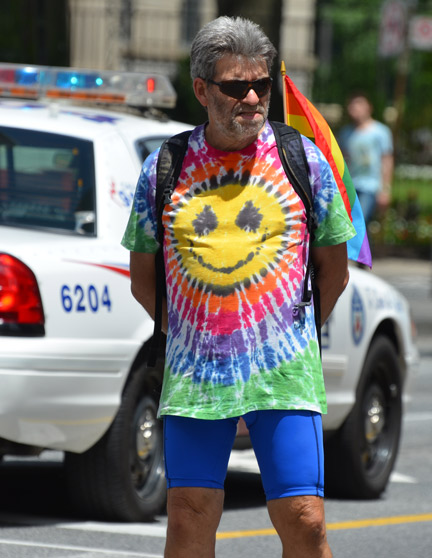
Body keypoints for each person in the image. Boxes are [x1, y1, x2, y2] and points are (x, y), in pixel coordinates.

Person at [122, 16, 355, 558]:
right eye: (235, 86)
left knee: (304, 520)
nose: (252, 97)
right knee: (187, 518)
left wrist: (283, 336)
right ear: (202, 89)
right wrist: (202, 333)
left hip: (285, 374)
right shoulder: (166, 166)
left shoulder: (305, 161)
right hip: (196, 376)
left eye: (262, 84)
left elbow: (334, 271)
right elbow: (143, 278)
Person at [339, 93, 394, 224]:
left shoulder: (380, 131)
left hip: (371, 186)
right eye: (351, 105)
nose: (355, 108)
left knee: (359, 222)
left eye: (359, 104)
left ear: (369, 107)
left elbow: (387, 160)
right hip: (350, 185)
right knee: (349, 225)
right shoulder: (346, 133)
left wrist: (385, 189)